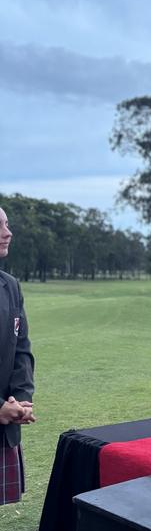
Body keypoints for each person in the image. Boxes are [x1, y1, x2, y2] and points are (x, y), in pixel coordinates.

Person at [0, 207, 36, 506]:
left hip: (6, 421)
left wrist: (20, 402)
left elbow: (21, 349)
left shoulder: (10, 285)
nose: (7, 232)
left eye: (7, 224)